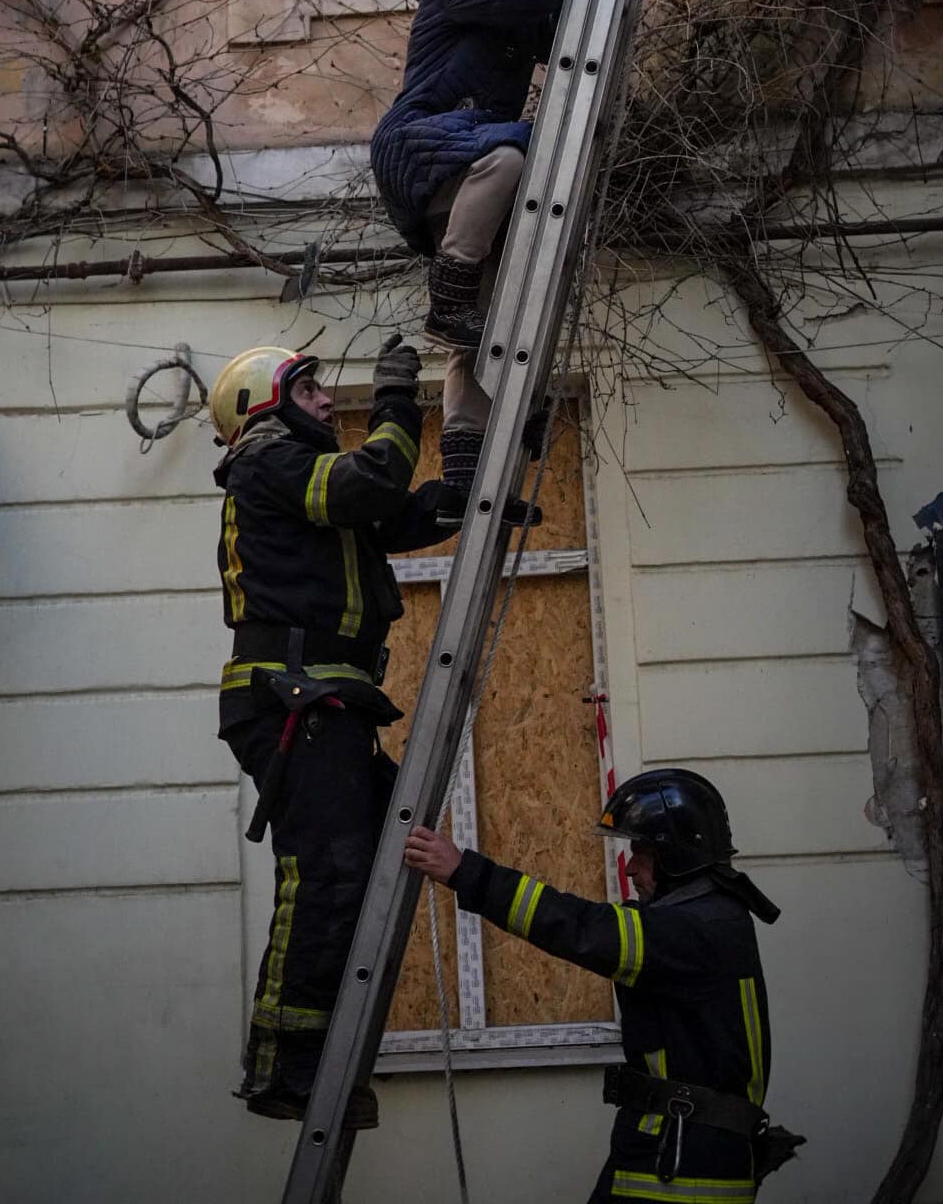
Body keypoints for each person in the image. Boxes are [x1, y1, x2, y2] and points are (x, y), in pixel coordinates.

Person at [209, 335, 452, 1128]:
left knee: (362, 866)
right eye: (308, 386)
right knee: (325, 872)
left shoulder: (301, 490)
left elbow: (388, 516)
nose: (323, 397)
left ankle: (322, 1058)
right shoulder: (266, 461)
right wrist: (394, 399)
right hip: (292, 701)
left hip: (322, 700)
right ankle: (285, 1070)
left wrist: (473, 500)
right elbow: (370, 480)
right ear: (266, 404)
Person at [407, 767, 801, 1202]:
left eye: (641, 852)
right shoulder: (709, 920)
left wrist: (468, 873)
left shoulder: (694, 930)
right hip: (672, 1152)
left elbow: (579, 929)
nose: (630, 868)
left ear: (675, 855)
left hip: (681, 1168)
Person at [371, 0, 580, 521]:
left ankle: (465, 487)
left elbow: (554, 24)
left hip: (460, 155)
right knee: (516, 151)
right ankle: (449, 291)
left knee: (482, 331)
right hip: (425, 144)